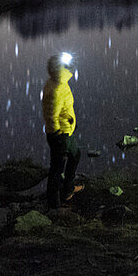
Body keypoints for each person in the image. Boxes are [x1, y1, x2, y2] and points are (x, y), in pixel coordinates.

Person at [42, 53, 83, 209]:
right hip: (60, 135)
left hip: (65, 130)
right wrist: (57, 133)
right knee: (57, 169)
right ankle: (54, 205)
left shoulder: (59, 82)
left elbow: (61, 108)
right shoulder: (57, 88)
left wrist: (70, 120)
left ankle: (68, 189)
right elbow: (51, 115)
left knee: (75, 155)